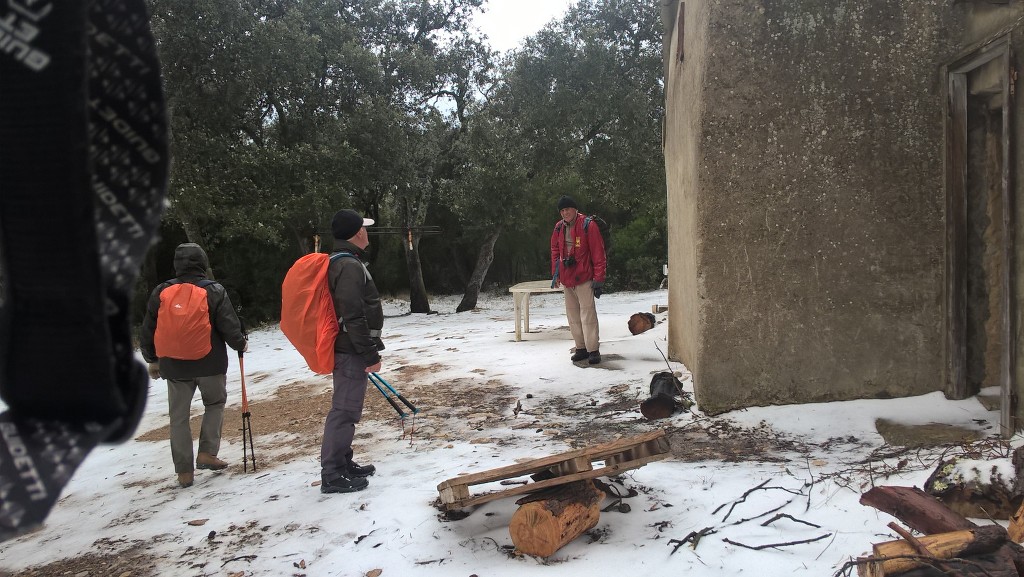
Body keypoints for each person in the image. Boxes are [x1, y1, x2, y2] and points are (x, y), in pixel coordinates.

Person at [140, 243, 248, 488]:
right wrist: (240, 344)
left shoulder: (161, 291)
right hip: (210, 362)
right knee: (214, 404)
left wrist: (152, 359)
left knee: (178, 417)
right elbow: (229, 325)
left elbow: (149, 329)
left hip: (174, 366)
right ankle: (207, 453)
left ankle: (184, 472)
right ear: (203, 263)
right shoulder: (214, 290)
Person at [320, 209, 385, 494]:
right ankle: (332, 473)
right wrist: (369, 354)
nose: (367, 232)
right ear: (358, 232)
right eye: (364, 228)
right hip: (350, 350)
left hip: (349, 347)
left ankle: (343, 462)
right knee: (345, 410)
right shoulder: (348, 266)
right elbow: (353, 315)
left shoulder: (345, 261)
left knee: (349, 408)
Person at [550, 196, 607, 365]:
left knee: (588, 315)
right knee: (573, 315)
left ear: (575, 209)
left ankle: (593, 349)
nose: (565, 213)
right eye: (562, 210)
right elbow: (554, 251)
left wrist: (599, 277)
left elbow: (598, 252)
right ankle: (580, 348)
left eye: (568, 209)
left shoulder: (588, 225)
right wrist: (556, 274)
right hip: (568, 279)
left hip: (584, 277)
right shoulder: (559, 227)